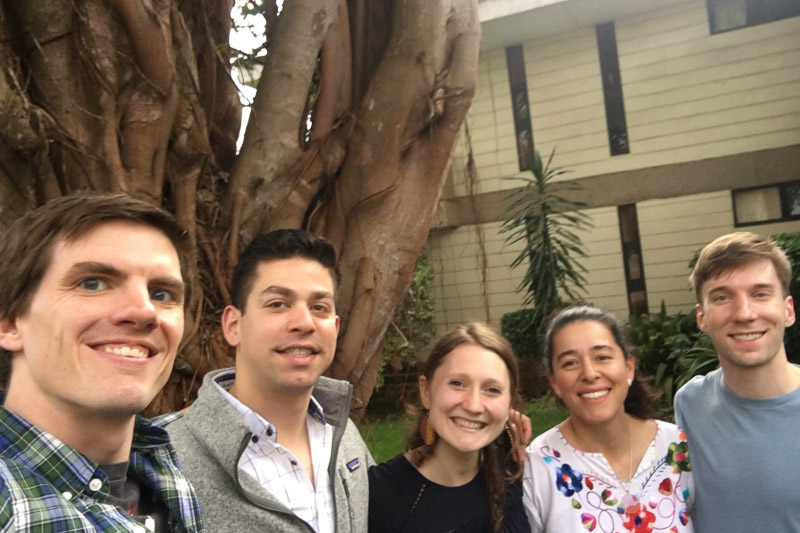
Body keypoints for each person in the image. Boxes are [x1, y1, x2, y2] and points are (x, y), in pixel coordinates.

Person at [0, 192, 204, 532]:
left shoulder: (166, 480)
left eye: (161, 294)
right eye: (92, 284)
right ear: (9, 323)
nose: (144, 312)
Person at [166, 229, 373, 532]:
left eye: (319, 307)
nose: (304, 323)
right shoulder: (168, 456)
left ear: (336, 327)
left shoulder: (345, 437)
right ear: (233, 325)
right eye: (278, 304)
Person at [524, 306, 693, 533]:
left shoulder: (678, 447)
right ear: (554, 381)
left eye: (602, 357)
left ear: (628, 368)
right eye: (571, 362)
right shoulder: (537, 467)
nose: (590, 373)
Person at [674, 232, 800, 532]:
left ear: (788, 310)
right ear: (702, 317)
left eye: (760, 294)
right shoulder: (690, 403)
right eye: (722, 297)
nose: (744, 313)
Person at [368, 322, 530, 533]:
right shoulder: (382, 494)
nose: (473, 405)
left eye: (492, 389)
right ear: (426, 392)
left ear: (509, 403)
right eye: (457, 383)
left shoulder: (510, 469)